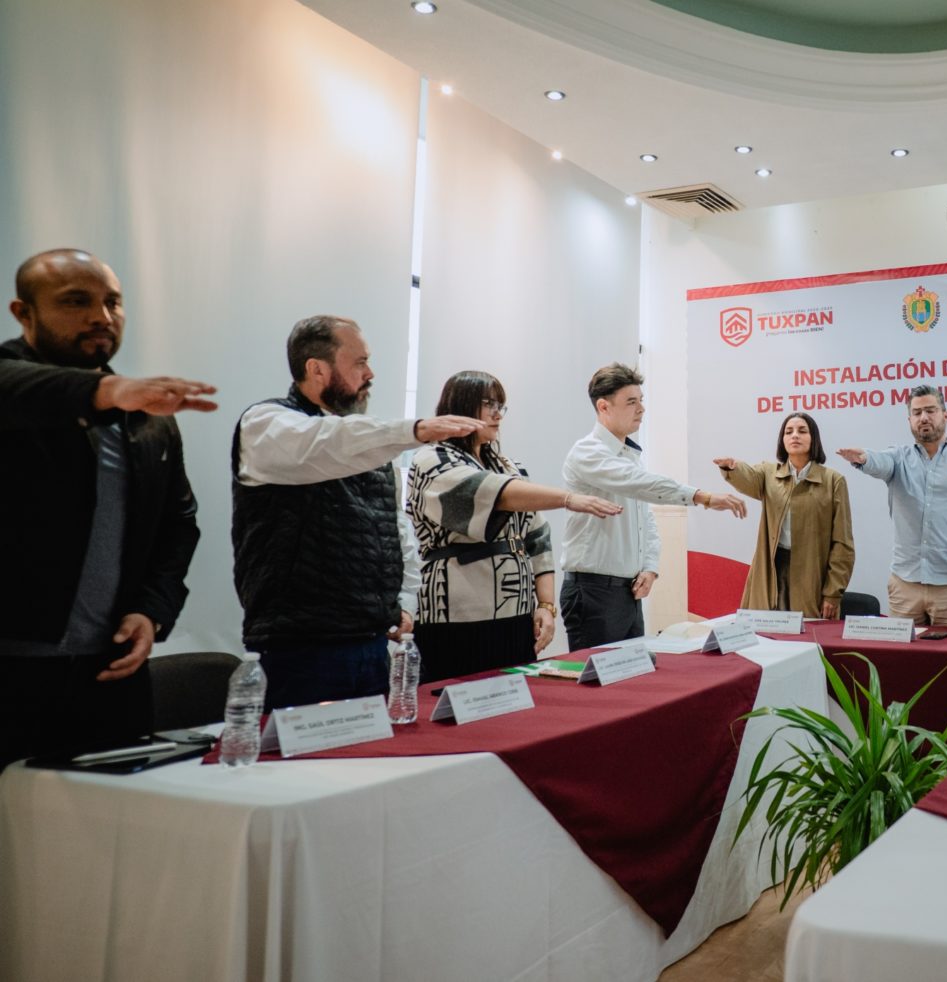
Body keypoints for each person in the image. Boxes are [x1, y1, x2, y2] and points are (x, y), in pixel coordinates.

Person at [0, 249, 215, 768]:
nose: (101, 316)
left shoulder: (148, 420)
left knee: (116, 817)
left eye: (113, 302)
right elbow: (19, 387)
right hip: (11, 674)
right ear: (23, 313)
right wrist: (110, 388)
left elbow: (178, 527)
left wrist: (151, 611)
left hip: (110, 675)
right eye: (76, 301)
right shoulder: (16, 388)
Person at [233, 315, 486, 709]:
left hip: (370, 641)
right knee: (303, 750)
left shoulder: (366, 440)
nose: (370, 374)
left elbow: (395, 529)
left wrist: (405, 601)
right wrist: (415, 430)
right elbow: (323, 443)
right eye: (360, 363)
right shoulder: (266, 423)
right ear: (317, 369)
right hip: (300, 646)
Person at [408, 371, 622, 683]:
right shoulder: (432, 459)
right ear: (461, 406)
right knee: (458, 697)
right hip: (456, 614)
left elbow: (537, 538)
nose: (497, 414)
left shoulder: (508, 466)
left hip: (515, 613)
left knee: (514, 696)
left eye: (501, 406)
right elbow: (491, 492)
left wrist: (545, 606)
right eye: (488, 405)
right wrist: (568, 498)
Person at [562, 363, 747, 650]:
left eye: (641, 400)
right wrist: (703, 497)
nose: (641, 409)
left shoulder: (630, 455)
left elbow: (644, 520)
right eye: (631, 402)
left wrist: (649, 567)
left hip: (627, 591)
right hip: (593, 591)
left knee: (634, 673)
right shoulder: (588, 452)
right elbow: (641, 484)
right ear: (603, 406)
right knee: (599, 676)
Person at [837, 385, 947, 627]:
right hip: (904, 586)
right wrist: (864, 458)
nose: (924, 417)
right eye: (917, 412)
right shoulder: (897, 458)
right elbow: (879, 461)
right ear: (909, 419)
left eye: (930, 411)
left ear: (945, 415)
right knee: (902, 653)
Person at [713, 412, 855, 619]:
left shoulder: (833, 481)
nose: (794, 435)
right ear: (782, 440)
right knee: (766, 632)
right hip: (771, 568)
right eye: (789, 432)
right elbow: (748, 477)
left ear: (813, 438)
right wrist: (732, 467)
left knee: (808, 633)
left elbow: (843, 543)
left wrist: (833, 592)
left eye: (802, 431)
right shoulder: (769, 473)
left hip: (811, 573)